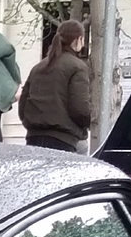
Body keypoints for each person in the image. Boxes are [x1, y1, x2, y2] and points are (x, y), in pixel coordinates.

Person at [16, 19, 96, 151]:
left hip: (33, 138)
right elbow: (80, 109)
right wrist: (89, 123)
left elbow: (23, 105)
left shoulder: (38, 67)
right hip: (63, 140)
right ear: (79, 39)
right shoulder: (78, 67)